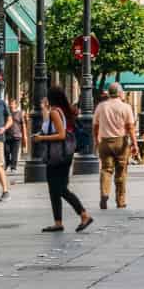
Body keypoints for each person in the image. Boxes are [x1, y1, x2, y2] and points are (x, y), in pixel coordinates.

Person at [30, 88, 91, 233]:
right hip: (59, 155)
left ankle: (84, 215)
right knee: (54, 189)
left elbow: (61, 135)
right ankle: (58, 222)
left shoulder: (55, 112)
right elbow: (47, 127)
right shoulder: (57, 111)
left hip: (58, 156)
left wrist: (41, 138)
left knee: (60, 189)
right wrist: (44, 109)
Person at [93, 82, 137, 209]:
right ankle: (120, 200)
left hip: (105, 141)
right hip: (120, 141)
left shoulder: (101, 106)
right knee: (121, 172)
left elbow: (95, 126)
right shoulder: (125, 107)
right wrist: (135, 144)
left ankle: (104, 193)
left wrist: (97, 140)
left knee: (106, 169)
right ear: (120, 93)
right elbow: (130, 127)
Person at [4, 96, 26, 173]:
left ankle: (13, 167)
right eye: (10, 104)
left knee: (14, 152)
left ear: (16, 105)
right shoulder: (6, 113)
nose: (11, 105)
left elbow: (23, 125)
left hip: (17, 136)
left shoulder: (19, 114)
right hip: (7, 135)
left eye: (12, 104)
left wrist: (24, 136)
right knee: (6, 151)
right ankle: (7, 163)